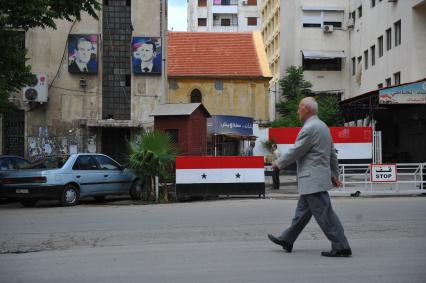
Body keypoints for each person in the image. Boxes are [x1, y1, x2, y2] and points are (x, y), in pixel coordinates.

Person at [267, 97, 352, 257]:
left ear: (306, 109)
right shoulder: (322, 126)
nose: (298, 111)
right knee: (301, 213)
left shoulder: (310, 128)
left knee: (325, 214)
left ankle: (341, 246)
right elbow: (332, 153)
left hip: (312, 179)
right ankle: (287, 239)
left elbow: (297, 150)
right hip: (314, 180)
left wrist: (278, 163)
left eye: (299, 108)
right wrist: (335, 174)